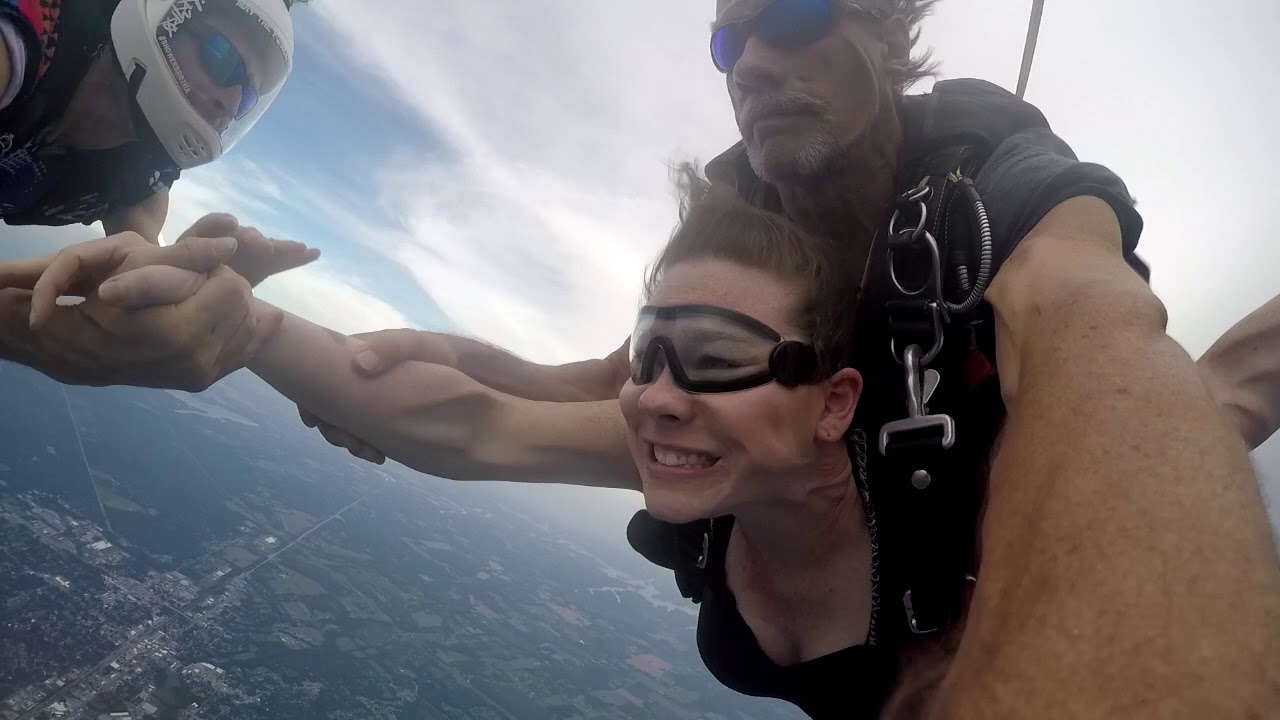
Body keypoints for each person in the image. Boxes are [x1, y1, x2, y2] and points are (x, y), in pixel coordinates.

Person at [33, 0, 1280, 716]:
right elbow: (524, 407)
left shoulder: (994, 186)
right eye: (726, 43)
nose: (753, 62)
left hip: (980, 460)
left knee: (1204, 400)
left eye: (791, 16)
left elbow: (1092, 331)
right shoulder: (721, 409)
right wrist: (257, 330)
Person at [0, 0, 318, 391]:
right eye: (221, 58)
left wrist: (188, 292)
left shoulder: (140, 183)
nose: (231, 104)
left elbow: (142, 270)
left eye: (247, 96)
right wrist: (26, 333)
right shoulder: (22, 43)